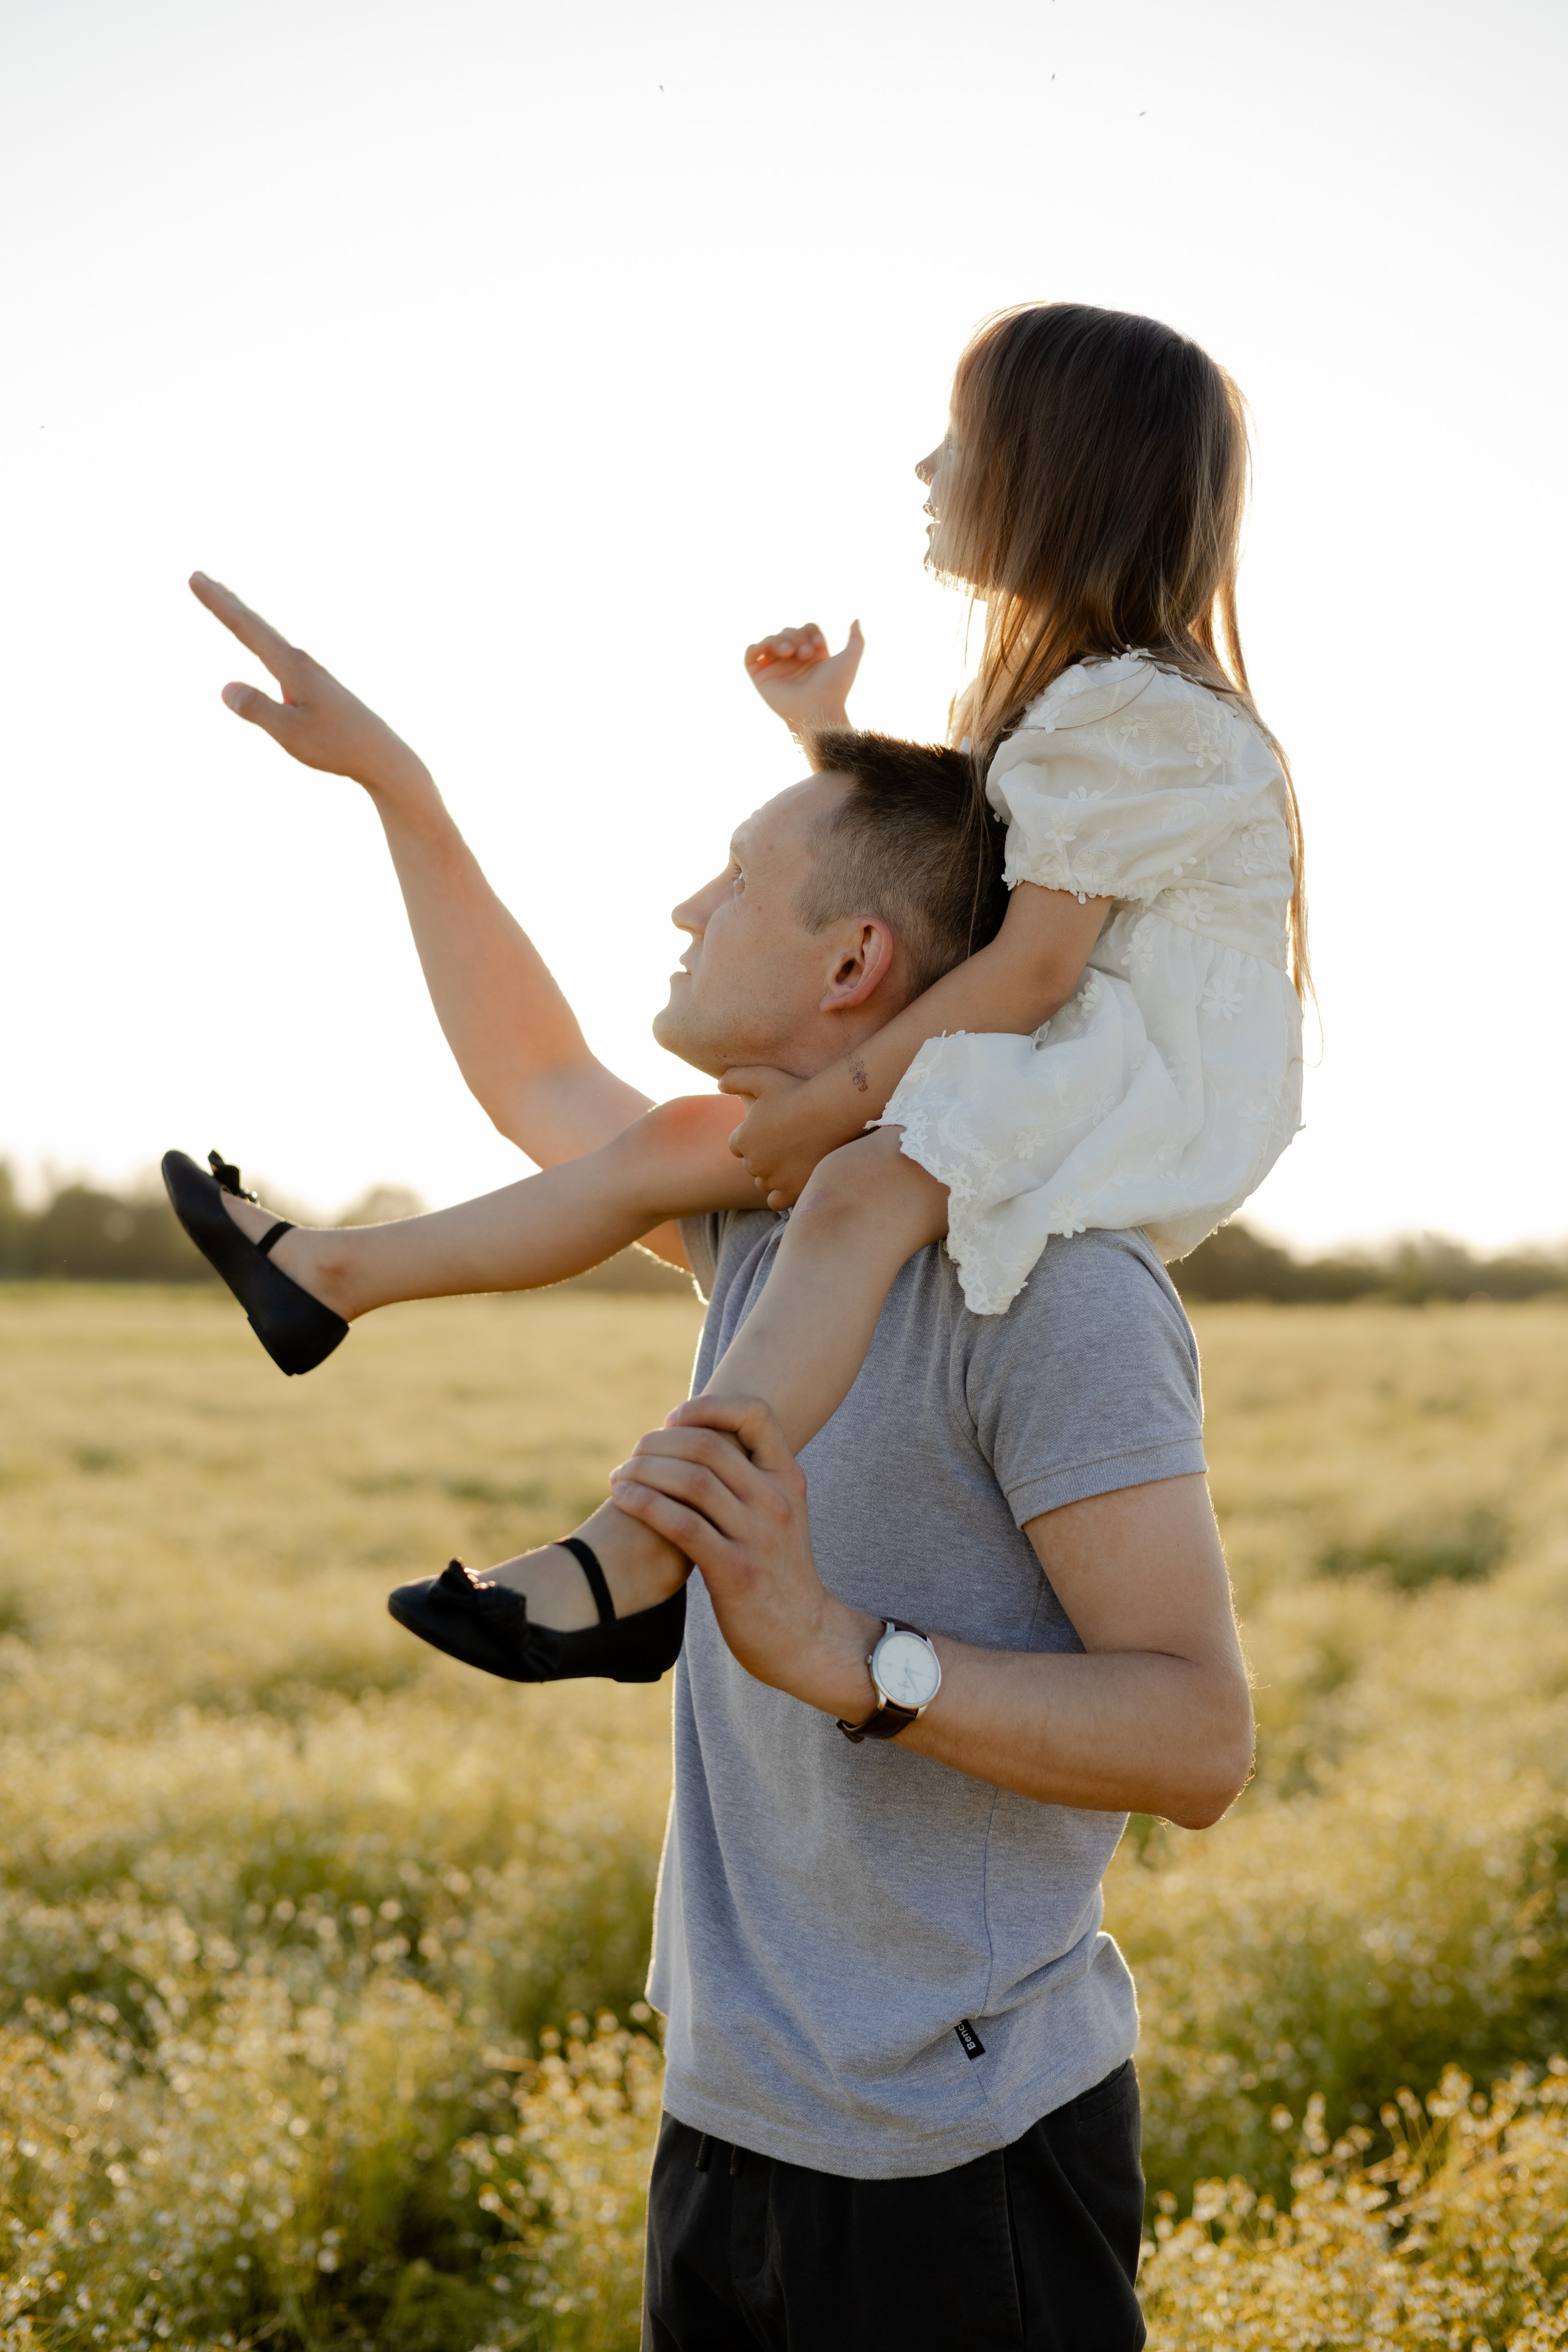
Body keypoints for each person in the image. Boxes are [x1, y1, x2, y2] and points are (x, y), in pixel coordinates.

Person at [174, 613, 1257, 2343]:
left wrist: (844, 1655)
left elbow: (1202, 1742)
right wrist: (404, 792)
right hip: (728, 2127)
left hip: (960, 2157)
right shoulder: (760, 1222)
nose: (685, 912)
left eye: (734, 882)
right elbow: (535, 1079)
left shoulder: (1058, 1291)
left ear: (854, 971)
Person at [167, 302, 1305, 1692]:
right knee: (695, 1148)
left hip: (1121, 1077)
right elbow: (951, 903)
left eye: (958, 439)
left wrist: (829, 1102)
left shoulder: (1132, 721)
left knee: (845, 1187)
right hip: (1040, 1063)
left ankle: (636, 1553)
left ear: (1054, 471)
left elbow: (1024, 966)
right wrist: (405, 786)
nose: (923, 469)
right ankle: (332, 1280)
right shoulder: (1068, 721)